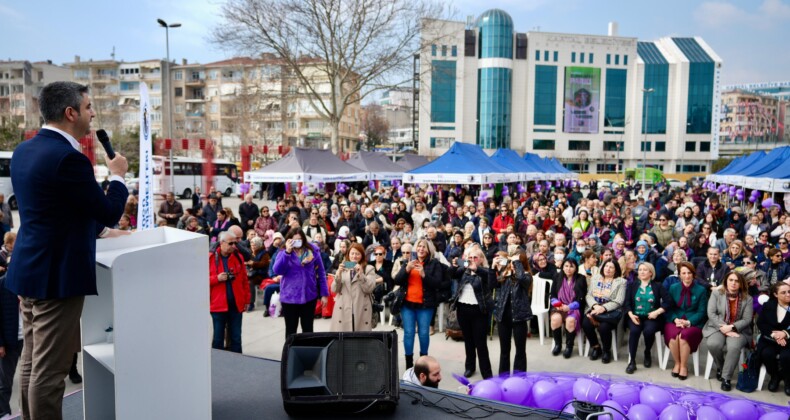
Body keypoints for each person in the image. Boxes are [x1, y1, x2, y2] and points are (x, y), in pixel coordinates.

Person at [6, 81, 130, 418]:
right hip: (56, 278)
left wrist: (103, 232)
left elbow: (54, 210)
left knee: (32, 363)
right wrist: (118, 177)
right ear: (70, 112)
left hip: (29, 270)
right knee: (50, 373)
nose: (93, 114)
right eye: (89, 107)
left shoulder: (24, 150)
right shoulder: (68, 158)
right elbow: (106, 209)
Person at [393, 238, 448, 369]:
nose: (421, 249)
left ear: (428, 250)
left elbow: (438, 284)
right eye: (419, 246)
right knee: (408, 333)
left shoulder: (434, 263)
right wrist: (406, 269)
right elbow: (397, 281)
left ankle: (423, 362)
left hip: (425, 305)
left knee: (423, 333)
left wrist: (424, 275)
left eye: (424, 247)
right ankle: (408, 364)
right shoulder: (408, 261)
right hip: (407, 305)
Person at [272, 227, 329, 337]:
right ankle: (290, 353)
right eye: (294, 240)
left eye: (300, 239)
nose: (297, 242)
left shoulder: (313, 251)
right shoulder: (283, 252)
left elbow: (321, 272)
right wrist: (287, 253)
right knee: (291, 330)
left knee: (308, 330)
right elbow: (277, 270)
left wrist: (324, 294)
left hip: (309, 296)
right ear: (289, 240)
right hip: (289, 297)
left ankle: (307, 352)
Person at [703, 271, 753, 391]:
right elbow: (711, 313)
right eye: (731, 280)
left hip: (739, 330)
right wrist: (724, 328)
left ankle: (726, 378)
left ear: (741, 284)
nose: (733, 283)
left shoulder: (748, 298)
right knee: (713, 344)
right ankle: (721, 367)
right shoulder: (716, 293)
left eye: (736, 281)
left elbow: (747, 319)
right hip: (717, 326)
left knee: (734, 347)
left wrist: (731, 327)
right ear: (726, 281)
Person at [450, 246, 494, 379]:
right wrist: (453, 266)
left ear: (481, 259)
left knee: (480, 343)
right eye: (470, 258)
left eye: (475, 257)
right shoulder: (464, 270)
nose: (472, 260)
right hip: (463, 309)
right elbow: (452, 275)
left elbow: (492, 282)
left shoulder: (486, 271)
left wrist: (477, 269)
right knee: (468, 341)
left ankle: (486, 373)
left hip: (479, 310)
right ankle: (470, 367)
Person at [664, 261, 708, 380]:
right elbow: (668, 307)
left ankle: (684, 366)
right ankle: (677, 363)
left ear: (693, 274)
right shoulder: (673, 288)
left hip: (694, 321)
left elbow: (702, 312)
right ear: (680, 275)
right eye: (684, 273)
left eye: (689, 273)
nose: (687, 276)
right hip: (675, 319)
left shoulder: (701, 290)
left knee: (684, 336)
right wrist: (675, 319)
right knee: (673, 335)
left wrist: (689, 322)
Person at [624, 262, 669, 374]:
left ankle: (647, 351)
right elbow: (627, 303)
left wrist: (657, 312)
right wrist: (631, 315)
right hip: (635, 316)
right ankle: (632, 361)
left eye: (645, 270)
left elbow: (669, 302)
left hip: (652, 317)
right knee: (634, 331)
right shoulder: (632, 285)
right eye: (640, 270)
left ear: (651, 273)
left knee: (649, 331)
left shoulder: (658, 286)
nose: (642, 272)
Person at [491, 250, 532, 374]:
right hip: (503, 317)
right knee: (504, 350)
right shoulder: (505, 275)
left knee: (520, 350)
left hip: (519, 317)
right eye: (512, 261)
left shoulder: (526, 276)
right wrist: (492, 268)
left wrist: (517, 262)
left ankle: (519, 378)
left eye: (517, 262)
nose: (513, 264)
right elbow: (492, 284)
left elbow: (521, 278)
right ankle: (503, 376)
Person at [209, 231, 250, 353]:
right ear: (221, 243)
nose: (234, 246)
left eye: (235, 243)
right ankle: (218, 366)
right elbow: (199, 281)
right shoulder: (210, 258)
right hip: (218, 306)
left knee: (236, 338)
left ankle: (237, 364)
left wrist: (247, 300)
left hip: (236, 305)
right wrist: (217, 278)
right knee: (218, 338)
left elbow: (244, 280)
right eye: (231, 243)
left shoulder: (238, 257)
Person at [582, 259, 627, 364]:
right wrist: (595, 305)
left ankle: (607, 351)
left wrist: (603, 308)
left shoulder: (621, 282)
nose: (608, 269)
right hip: (594, 308)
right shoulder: (596, 278)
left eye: (611, 267)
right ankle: (596, 347)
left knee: (604, 327)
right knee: (586, 323)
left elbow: (619, 301)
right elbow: (589, 295)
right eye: (606, 266)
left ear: (616, 270)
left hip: (609, 312)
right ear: (603, 267)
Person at [330, 243, 377, 332]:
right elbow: (334, 289)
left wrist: (361, 274)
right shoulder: (343, 267)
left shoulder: (369, 268)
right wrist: (338, 273)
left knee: (360, 341)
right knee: (343, 341)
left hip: (361, 309)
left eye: (357, 254)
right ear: (348, 254)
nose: (354, 256)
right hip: (343, 308)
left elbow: (369, 289)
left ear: (362, 255)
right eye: (352, 253)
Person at [755, 282, 790, 395]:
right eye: (783, 292)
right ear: (775, 294)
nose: (788, 294)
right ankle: (775, 376)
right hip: (770, 340)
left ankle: (788, 380)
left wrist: (785, 333)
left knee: (786, 357)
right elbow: (761, 323)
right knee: (766, 354)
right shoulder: (769, 305)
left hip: (788, 341)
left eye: (789, 292)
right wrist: (774, 335)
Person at [550, 258, 587, 358]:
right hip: (559, 307)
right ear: (563, 267)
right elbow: (552, 295)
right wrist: (558, 305)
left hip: (574, 307)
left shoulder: (581, 279)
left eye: (571, 266)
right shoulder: (557, 277)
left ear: (576, 268)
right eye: (566, 266)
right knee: (555, 319)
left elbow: (581, 300)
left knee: (570, 320)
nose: (568, 269)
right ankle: (558, 345)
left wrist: (569, 307)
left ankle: (569, 346)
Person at [0, 274, 21, 418]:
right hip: (9, 340)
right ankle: (3, 413)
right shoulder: (3, 284)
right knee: (5, 382)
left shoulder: (32, 280)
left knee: (32, 379)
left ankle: (26, 409)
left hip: (32, 338)